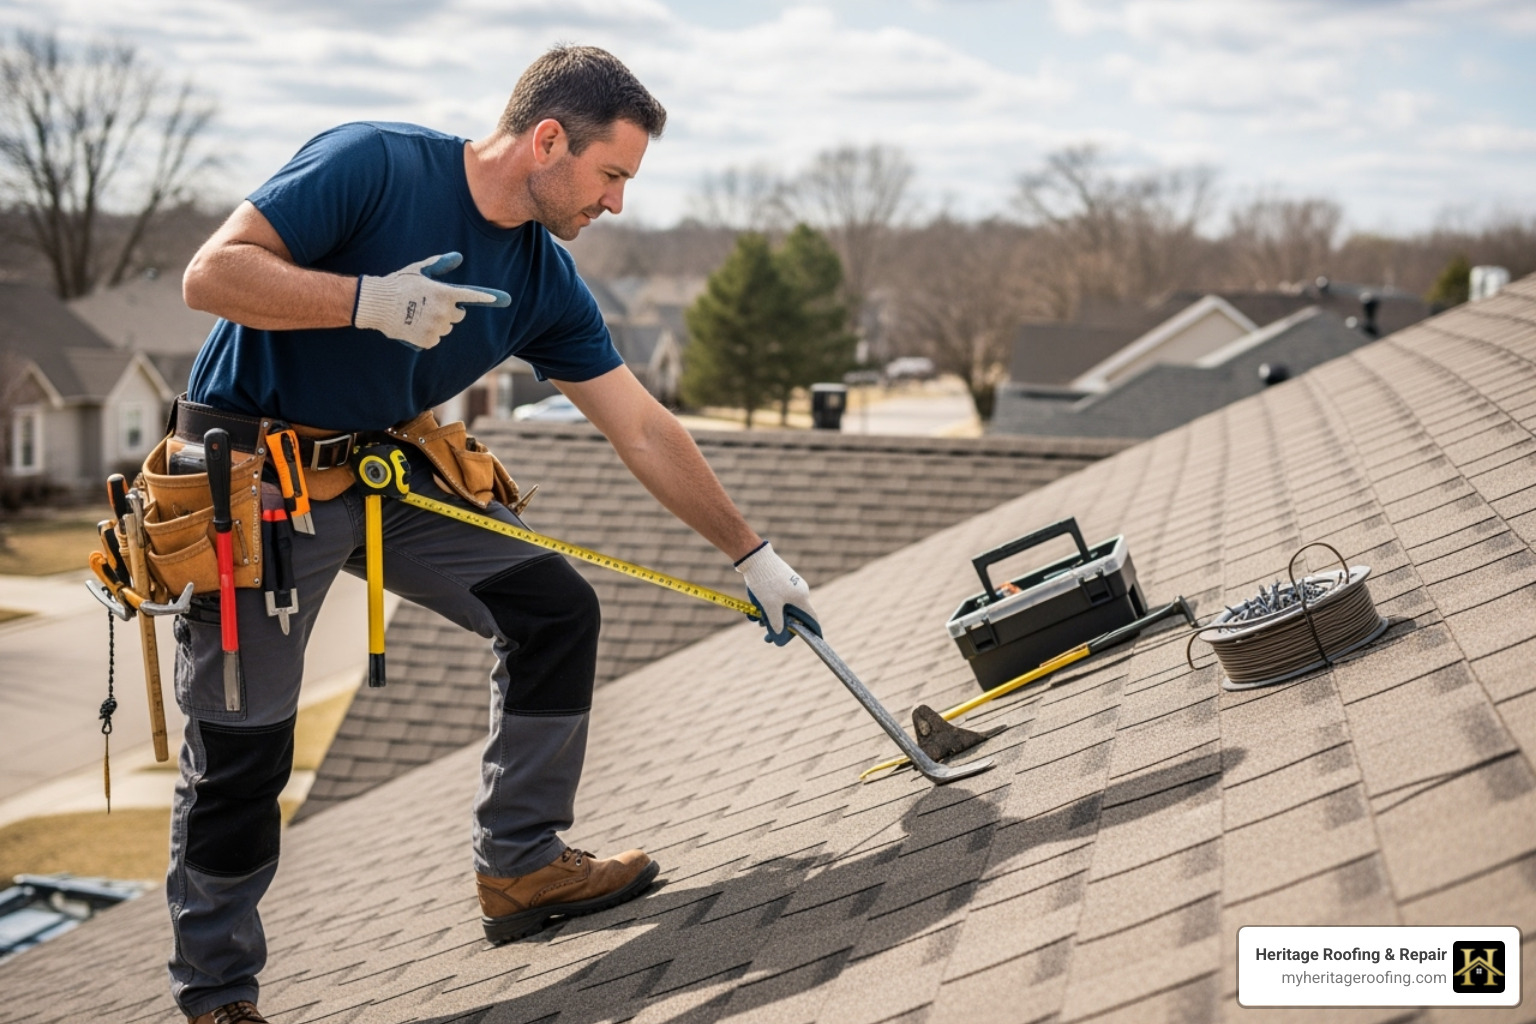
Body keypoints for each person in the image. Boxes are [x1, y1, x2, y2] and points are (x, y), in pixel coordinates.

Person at [168, 45, 818, 1024]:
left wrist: (752, 552)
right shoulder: (374, 165)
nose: (617, 204)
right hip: (255, 485)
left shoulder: (542, 280)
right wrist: (370, 300)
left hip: (384, 473)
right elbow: (210, 277)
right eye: (612, 175)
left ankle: (522, 866)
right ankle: (218, 996)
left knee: (553, 606)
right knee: (243, 747)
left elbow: (641, 425)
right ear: (548, 139)